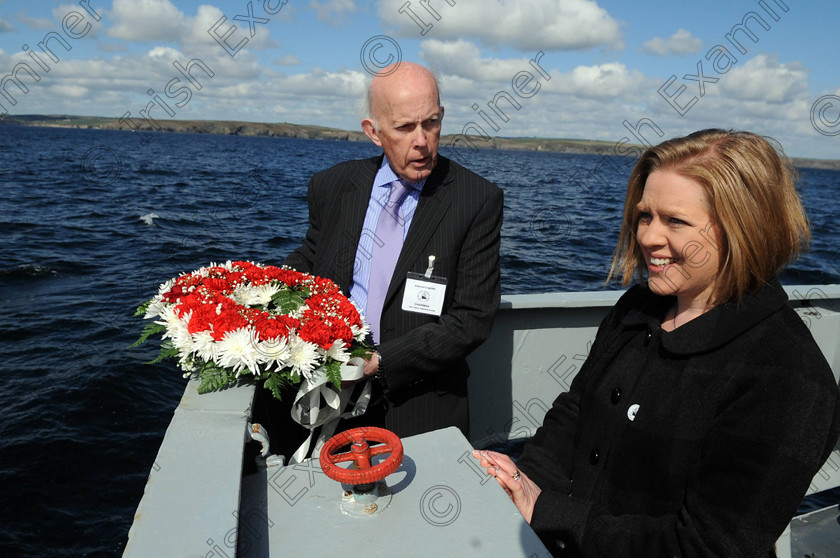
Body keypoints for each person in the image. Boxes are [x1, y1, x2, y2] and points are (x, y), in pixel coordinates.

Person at [474, 129, 840, 557]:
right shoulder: (639, 307)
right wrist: (520, 480)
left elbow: (708, 546)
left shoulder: (787, 378)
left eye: (676, 220)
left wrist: (546, 511)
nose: (647, 236)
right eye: (646, 215)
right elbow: (577, 413)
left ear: (746, 227)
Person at [281, 61, 503, 441]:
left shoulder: (476, 200)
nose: (422, 140)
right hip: (329, 395)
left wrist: (380, 362)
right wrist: (258, 296)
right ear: (374, 132)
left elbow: (472, 318)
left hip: (424, 406)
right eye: (404, 127)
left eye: (431, 123)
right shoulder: (332, 186)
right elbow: (311, 262)